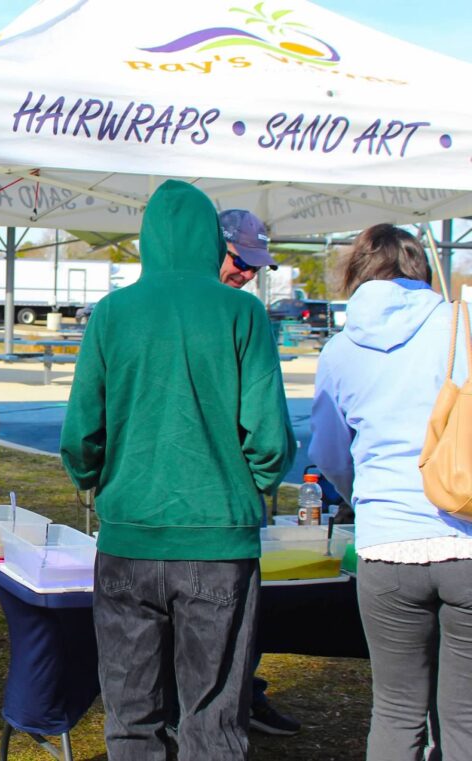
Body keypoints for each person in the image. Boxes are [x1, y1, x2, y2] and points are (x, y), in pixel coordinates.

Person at [60, 180, 295, 761]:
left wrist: (95, 482)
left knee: (131, 715)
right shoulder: (243, 311)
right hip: (218, 543)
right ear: (207, 241)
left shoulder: (112, 314)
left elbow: (80, 435)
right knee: (212, 718)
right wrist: (248, 489)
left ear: (148, 242)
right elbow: (269, 437)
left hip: (127, 540)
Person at [309, 224, 472, 761]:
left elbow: (331, 454)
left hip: (384, 543)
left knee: (396, 707)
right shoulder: (461, 325)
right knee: (465, 714)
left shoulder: (338, 350)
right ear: (419, 267)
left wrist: (366, 495)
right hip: (464, 530)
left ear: (356, 271)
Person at [218, 208, 301, 737]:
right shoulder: (242, 317)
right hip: (204, 519)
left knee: (229, 640)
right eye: (238, 260)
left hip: (219, 512)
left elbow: (268, 434)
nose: (247, 273)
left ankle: (244, 695)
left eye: (254, 266)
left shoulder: (246, 315)